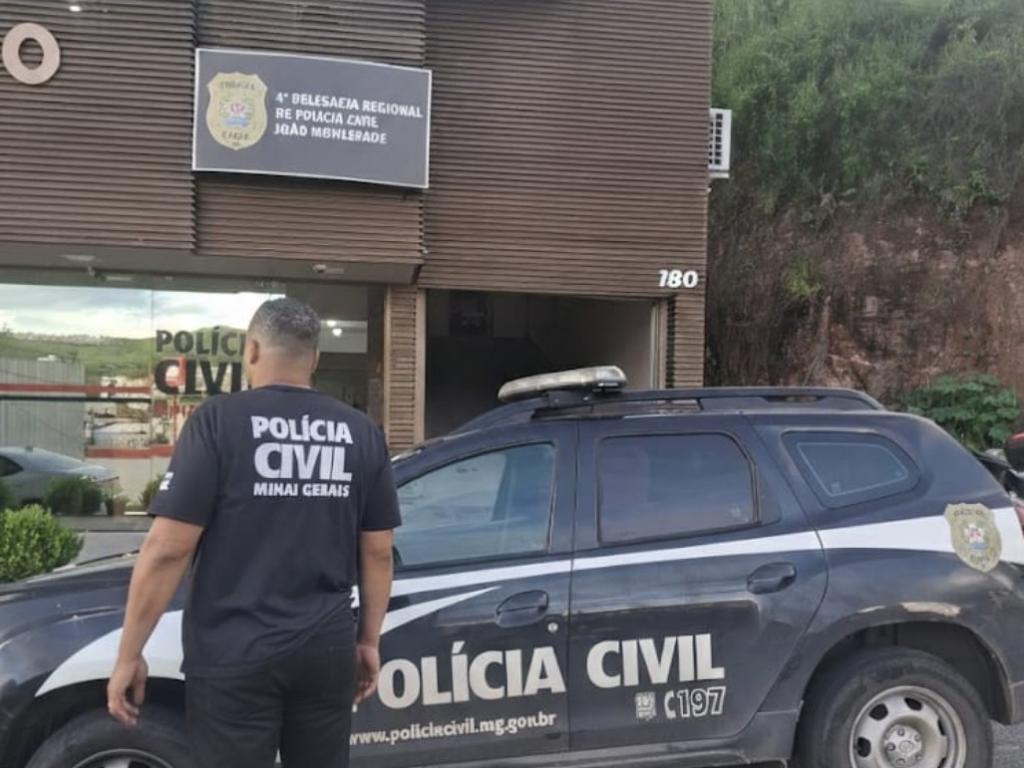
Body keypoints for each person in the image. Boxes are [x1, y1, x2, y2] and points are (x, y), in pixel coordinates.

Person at [107, 297, 400, 768]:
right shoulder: (361, 432)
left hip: (233, 652)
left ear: (252, 350)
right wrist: (368, 640)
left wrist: (129, 653)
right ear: (314, 359)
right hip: (324, 649)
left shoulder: (217, 422)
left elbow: (167, 550)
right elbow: (379, 551)